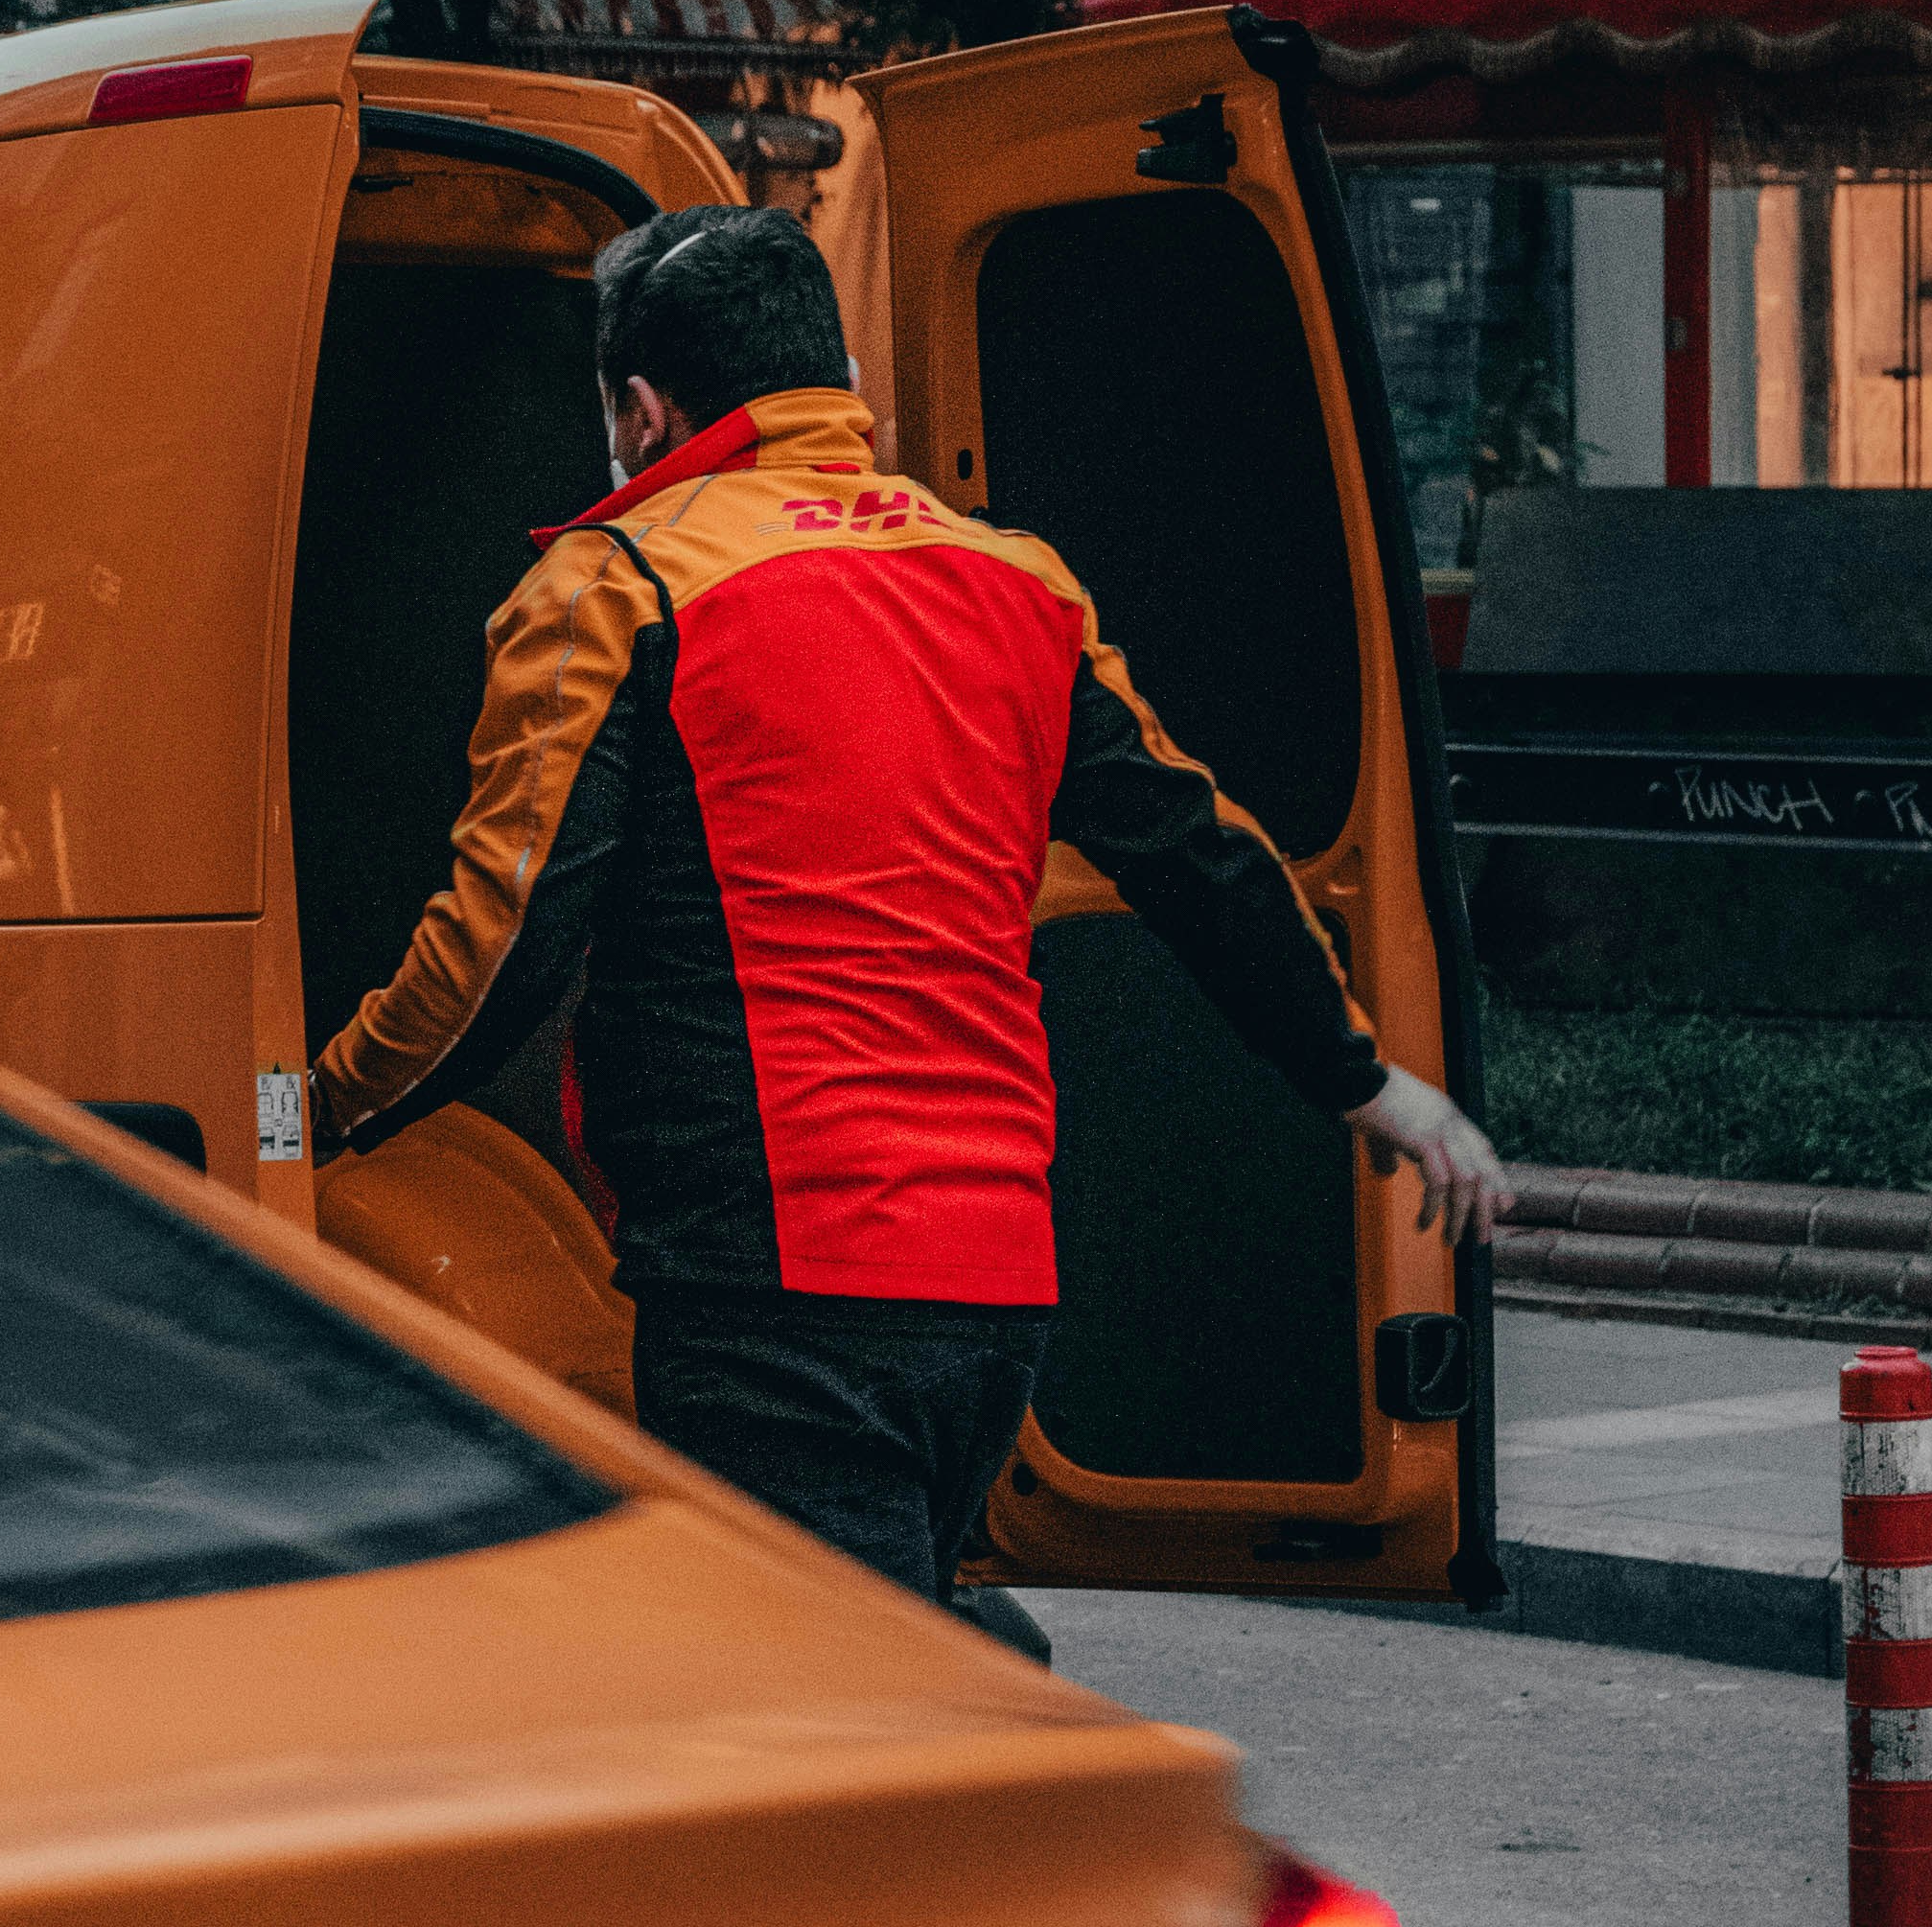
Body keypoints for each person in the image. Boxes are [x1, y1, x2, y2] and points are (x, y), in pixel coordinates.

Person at [307, 200, 1504, 1635]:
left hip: (774, 1287)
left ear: (641, 406)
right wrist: (1372, 1084)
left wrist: (312, 1110)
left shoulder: (621, 590)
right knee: (890, 1657)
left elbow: (502, 945)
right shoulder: (1016, 582)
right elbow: (1200, 856)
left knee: (847, 1731)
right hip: (992, 1279)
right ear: (835, 379)